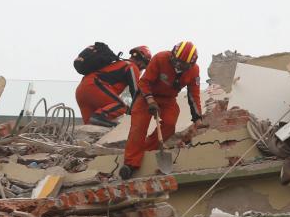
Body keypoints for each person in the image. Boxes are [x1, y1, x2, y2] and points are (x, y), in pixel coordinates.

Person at [119, 41, 203, 179]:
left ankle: (146, 152)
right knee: (138, 127)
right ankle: (130, 164)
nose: (178, 66)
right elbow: (144, 82)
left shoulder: (194, 71)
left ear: (190, 65)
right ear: (172, 55)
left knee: (170, 125)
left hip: (168, 100)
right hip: (146, 96)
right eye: (176, 62)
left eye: (183, 65)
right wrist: (150, 100)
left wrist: (198, 118)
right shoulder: (160, 58)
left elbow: (194, 95)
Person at [75, 46, 152, 127]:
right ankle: (99, 116)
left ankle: (97, 120)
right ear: (142, 63)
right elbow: (136, 93)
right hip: (94, 86)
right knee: (121, 106)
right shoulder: (132, 66)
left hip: (81, 90)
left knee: (90, 125)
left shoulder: (118, 63)